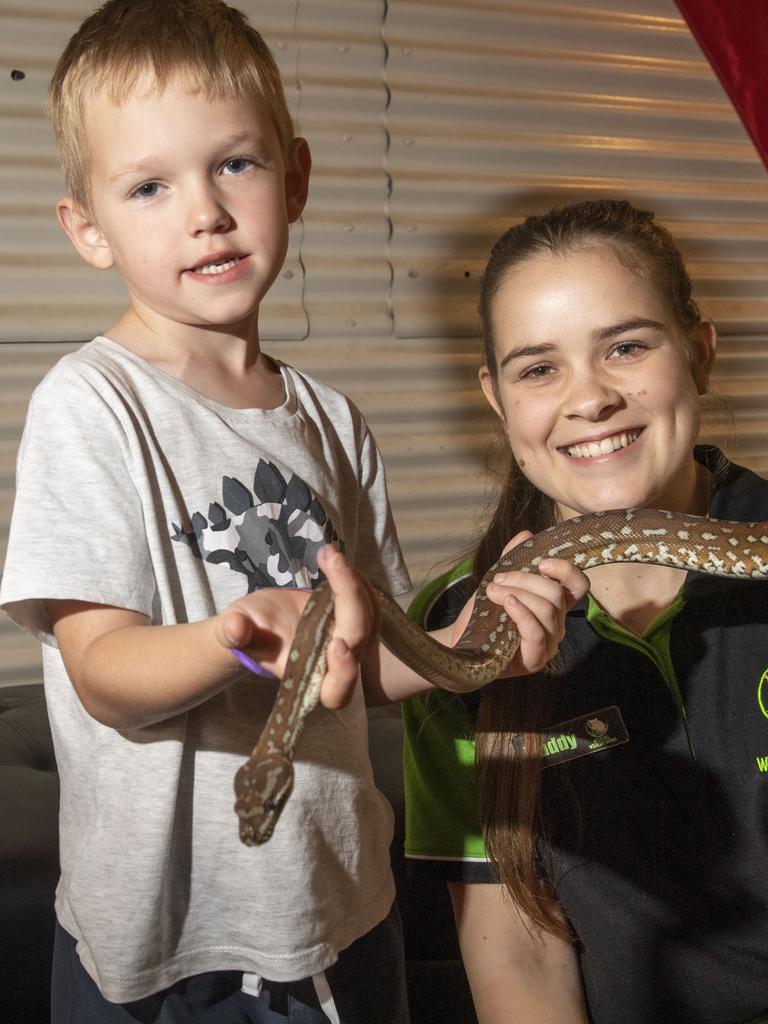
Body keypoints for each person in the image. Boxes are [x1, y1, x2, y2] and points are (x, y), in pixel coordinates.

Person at [0, 3, 585, 1021]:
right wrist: (232, 639)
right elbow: (103, 675)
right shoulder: (92, 407)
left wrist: (474, 638)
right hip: (167, 955)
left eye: (236, 165)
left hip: (341, 910)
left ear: (297, 178)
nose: (206, 213)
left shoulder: (332, 421)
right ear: (88, 228)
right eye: (150, 185)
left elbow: (373, 659)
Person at [402, 199, 768, 1024]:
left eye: (627, 347)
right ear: (497, 400)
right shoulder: (460, 631)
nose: (591, 398)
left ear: (699, 354)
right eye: (540, 368)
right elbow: (521, 960)